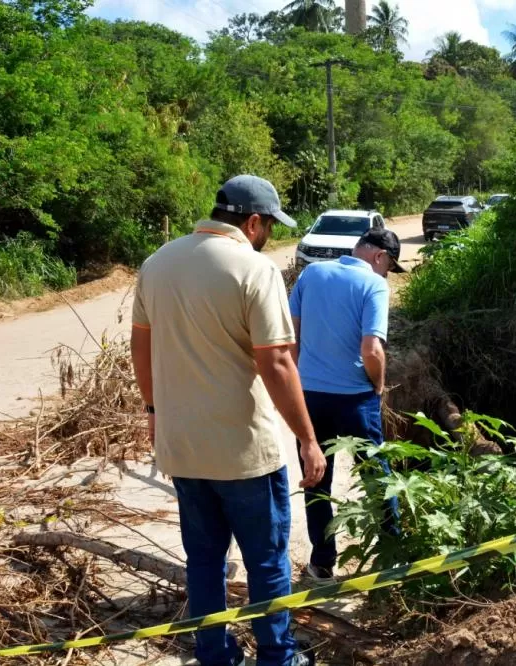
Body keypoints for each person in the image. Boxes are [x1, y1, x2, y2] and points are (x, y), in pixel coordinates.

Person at [130, 174, 327, 666]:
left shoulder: (157, 263)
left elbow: (141, 346)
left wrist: (154, 410)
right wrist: (307, 438)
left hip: (183, 447)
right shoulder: (254, 271)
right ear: (253, 222)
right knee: (266, 562)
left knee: (204, 561)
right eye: (270, 228)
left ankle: (214, 654)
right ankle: (278, 656)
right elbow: (278, 362)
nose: (270, 238)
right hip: (243, 452)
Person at [288, 227, 404, 580]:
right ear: (379, 257)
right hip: (355, 400)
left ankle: (322, 563)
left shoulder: (311, 273)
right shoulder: (374, 284)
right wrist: (378, 385)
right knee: (377, 478)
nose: (387, 274)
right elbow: (371, 349)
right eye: (389, 266)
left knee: (316, 478)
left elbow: (292, 337)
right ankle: (392, 557)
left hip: (309, 398)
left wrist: (299, 383)